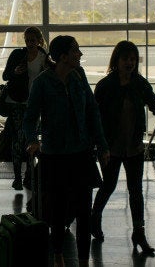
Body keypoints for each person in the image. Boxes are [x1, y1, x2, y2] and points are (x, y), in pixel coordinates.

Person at [23, 35, 109, 267]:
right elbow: (30, 117)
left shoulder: (79, 78)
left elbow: (92, 112)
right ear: (63, 56)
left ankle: (82, 261)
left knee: (83, 211)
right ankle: (59, 255)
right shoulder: (43, 83)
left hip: (81, 153)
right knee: (58, 212)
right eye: (75, 51)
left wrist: (101, 145)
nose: (79, 55)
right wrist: (32, 140)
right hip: (55, 155)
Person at [90, 40, 155, 256]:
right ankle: (95, 217)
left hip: (134, 148)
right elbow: (93, 116)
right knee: (108, 186)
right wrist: (98, 146)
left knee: (136, 191)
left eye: (132, 59)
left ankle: (139, 232)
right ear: (116, 60)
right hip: (112, 148)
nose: (129, 63)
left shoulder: (140, 84)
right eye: (125, 59)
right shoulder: (106, 86)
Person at [3, 26, 51, 190]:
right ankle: (18, 177)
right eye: (28, 40)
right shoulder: (18, 55)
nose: (30, 43)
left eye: (33, 40)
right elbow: (5, 75)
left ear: (39, 41)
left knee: (30, 140)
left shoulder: (44, 57)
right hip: (18, 102)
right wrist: (15, 72)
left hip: (34, 102)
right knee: (18, 140)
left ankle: (28, 176)